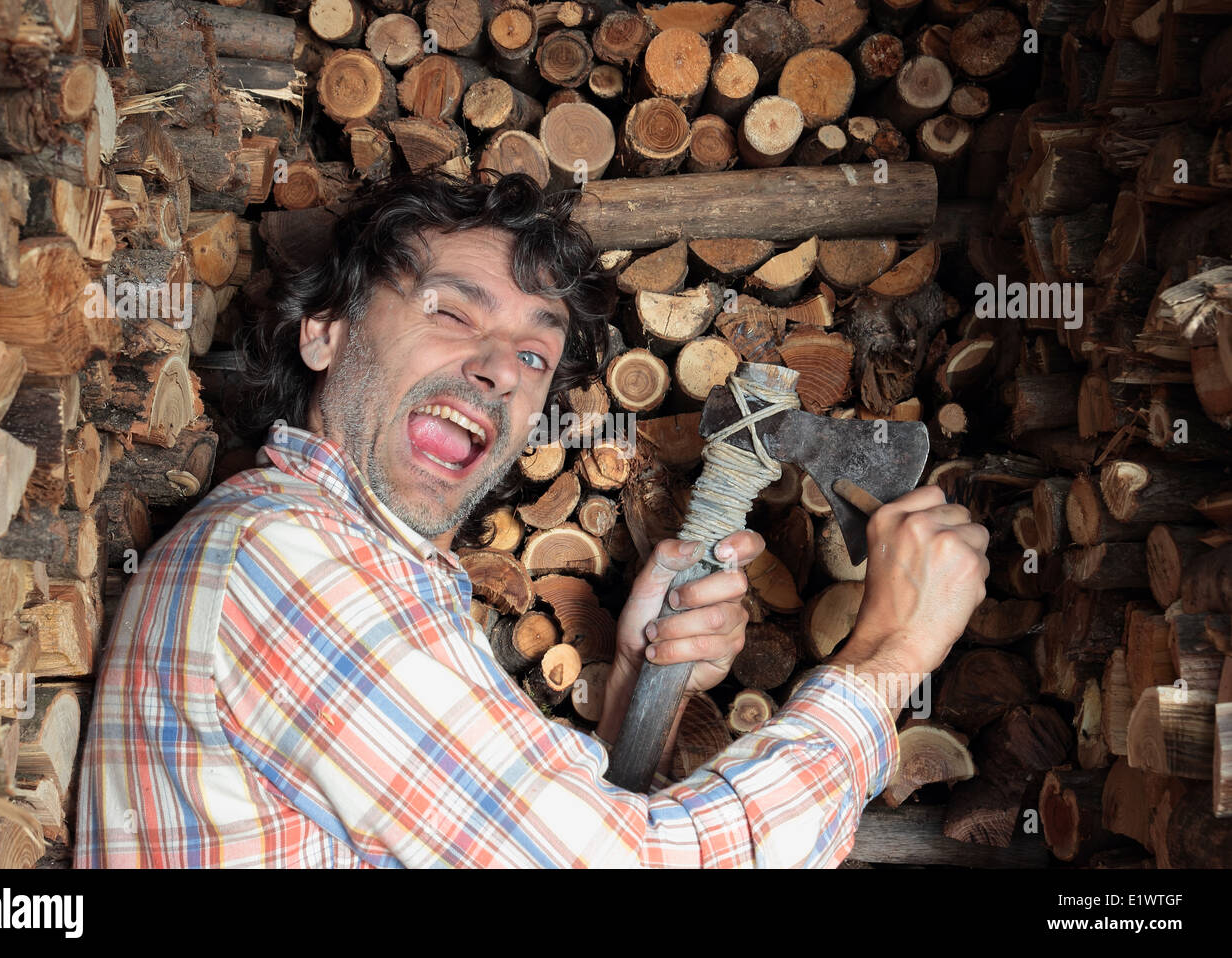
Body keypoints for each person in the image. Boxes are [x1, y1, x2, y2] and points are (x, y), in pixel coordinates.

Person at [75, 172, 989, 867]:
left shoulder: (358, 569)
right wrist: (888, 658)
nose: (500, 369)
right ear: (326, 331)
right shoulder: (284, 563)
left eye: (535, 354)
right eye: (449, 311)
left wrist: (633, 690)